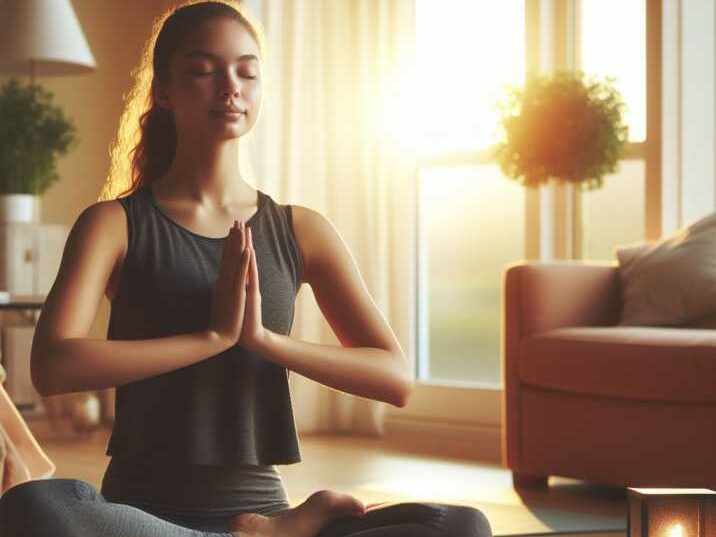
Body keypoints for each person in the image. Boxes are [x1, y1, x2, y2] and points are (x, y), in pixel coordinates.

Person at [0, 2, 492, 536]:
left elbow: (394, 378)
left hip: (265, 507)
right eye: (203, 71)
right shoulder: (113, 224)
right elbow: (52, 367)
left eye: (246, 71)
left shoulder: (300, 228)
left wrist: (263, 341)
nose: (230, 86)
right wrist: (211, 337)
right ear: (163, 91)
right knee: (38, 507)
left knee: (461, 525)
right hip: (140, 516)